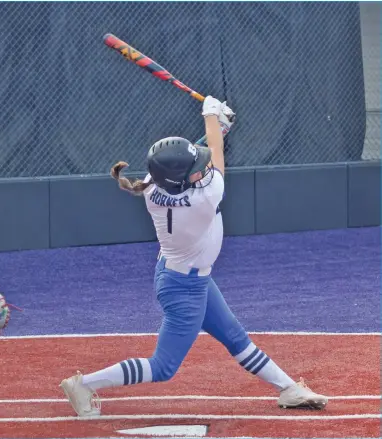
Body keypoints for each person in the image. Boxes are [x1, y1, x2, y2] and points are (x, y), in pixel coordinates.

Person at [60, 96, 328, 417]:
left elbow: (197, 159)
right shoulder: (204, 198)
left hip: (184, 276)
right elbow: (214, 160)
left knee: (233, 335)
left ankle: (288, 389)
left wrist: (218, 127)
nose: (201, 171)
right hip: (182, 288)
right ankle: (84, 384)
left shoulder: (151, 189)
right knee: (163, 367)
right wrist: (211, 115)